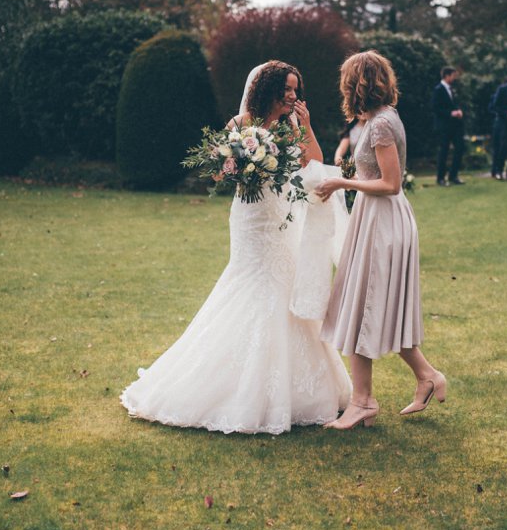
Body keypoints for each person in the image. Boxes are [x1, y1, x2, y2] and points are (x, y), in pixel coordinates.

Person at [120, 61, 352, 433]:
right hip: (251, 217)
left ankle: (301, 389)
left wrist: (305, 125)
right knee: (252, 284)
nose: (293, 96)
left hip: (281, 216)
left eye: (296, 89)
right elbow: (215, 169)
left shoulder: (291, 125)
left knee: (285, 285)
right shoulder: (242, 124)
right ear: (269, 90)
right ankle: (233, 387)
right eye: (287, 89)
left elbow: (316, 161)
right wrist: (240, 166)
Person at [314, 51, 446, 429]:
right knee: (376, 305)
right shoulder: (382, 118)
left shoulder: (380, 126)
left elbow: (391, 184)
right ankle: (427, 377)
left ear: (356, 84)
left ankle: (363, 402)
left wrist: (343, 181)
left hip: (383, 221)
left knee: (363, 305)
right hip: (377, 219)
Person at [430, 66, 465, 186]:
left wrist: (459, 111)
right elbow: (435, 108)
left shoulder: (452, 89)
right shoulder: (438, 89)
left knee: (460, 148)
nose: (454, 78)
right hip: (443, 126)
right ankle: (440, 178)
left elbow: (454, 104)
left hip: (455, 126)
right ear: (446, 76)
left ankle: (453, 176)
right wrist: (451, 113)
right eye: (453, 76)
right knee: (443, 151)